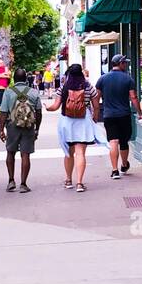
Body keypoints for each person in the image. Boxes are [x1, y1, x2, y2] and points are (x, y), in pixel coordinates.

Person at [44, 62, 100, 192]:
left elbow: (55, 106)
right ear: (81, 72)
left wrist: (47, 107)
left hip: (67, 122)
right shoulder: (88, 87)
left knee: (68, 153)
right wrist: (95, 118)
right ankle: (79, 183)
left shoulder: (63, 87)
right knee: (80, 153)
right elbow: (96, 105)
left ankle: (68, 180)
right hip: (83, 121)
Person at [95, 53, 142, 181]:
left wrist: (95, 112)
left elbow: (96, 97)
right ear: (120, 64)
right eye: (124, 63)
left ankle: (115, 170)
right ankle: (124, 164)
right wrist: (140, 112)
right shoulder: (128, 79)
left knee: (113, 142)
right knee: (123, 142)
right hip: (124, 115)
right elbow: (133, 97)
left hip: (109, 115)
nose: (126, 64)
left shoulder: (102, 79)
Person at [0, 69, 41, 193]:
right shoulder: (33, 92)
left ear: (14, 80)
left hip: (12, 126)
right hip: (28, 126)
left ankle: (11, 181)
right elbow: (38, 112)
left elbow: (3, 112)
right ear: (26, 80)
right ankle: (23, 184)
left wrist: (1, 130)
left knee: (10, 152)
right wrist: (37, 128)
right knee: (25, 154)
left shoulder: (8, 92)